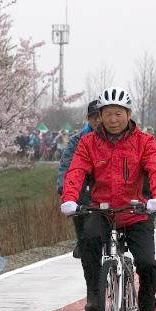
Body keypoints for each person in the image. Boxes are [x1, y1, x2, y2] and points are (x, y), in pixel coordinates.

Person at [60, 87, 156, 311]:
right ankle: (95, 293)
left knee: (146, 262)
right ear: (100, 115)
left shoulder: (144, 141)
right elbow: (76, 171)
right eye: (107, 113)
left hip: (135, 211)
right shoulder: (88, 143)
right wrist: (69, 198)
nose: (113, 119)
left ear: (128, 114)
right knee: (88, 239)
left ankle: (147, 306)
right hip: (103, 211)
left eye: (118, 113)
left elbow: (155, 168)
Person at [57, 100, 101, 280]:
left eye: (101, 116)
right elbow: (66, 164)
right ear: (88, 118)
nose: (98, 121)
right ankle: (82, 241)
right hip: (83, 187)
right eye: (94, 117)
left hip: (105, 189)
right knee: (81, 219)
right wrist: (64, 187)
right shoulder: (78, 139)